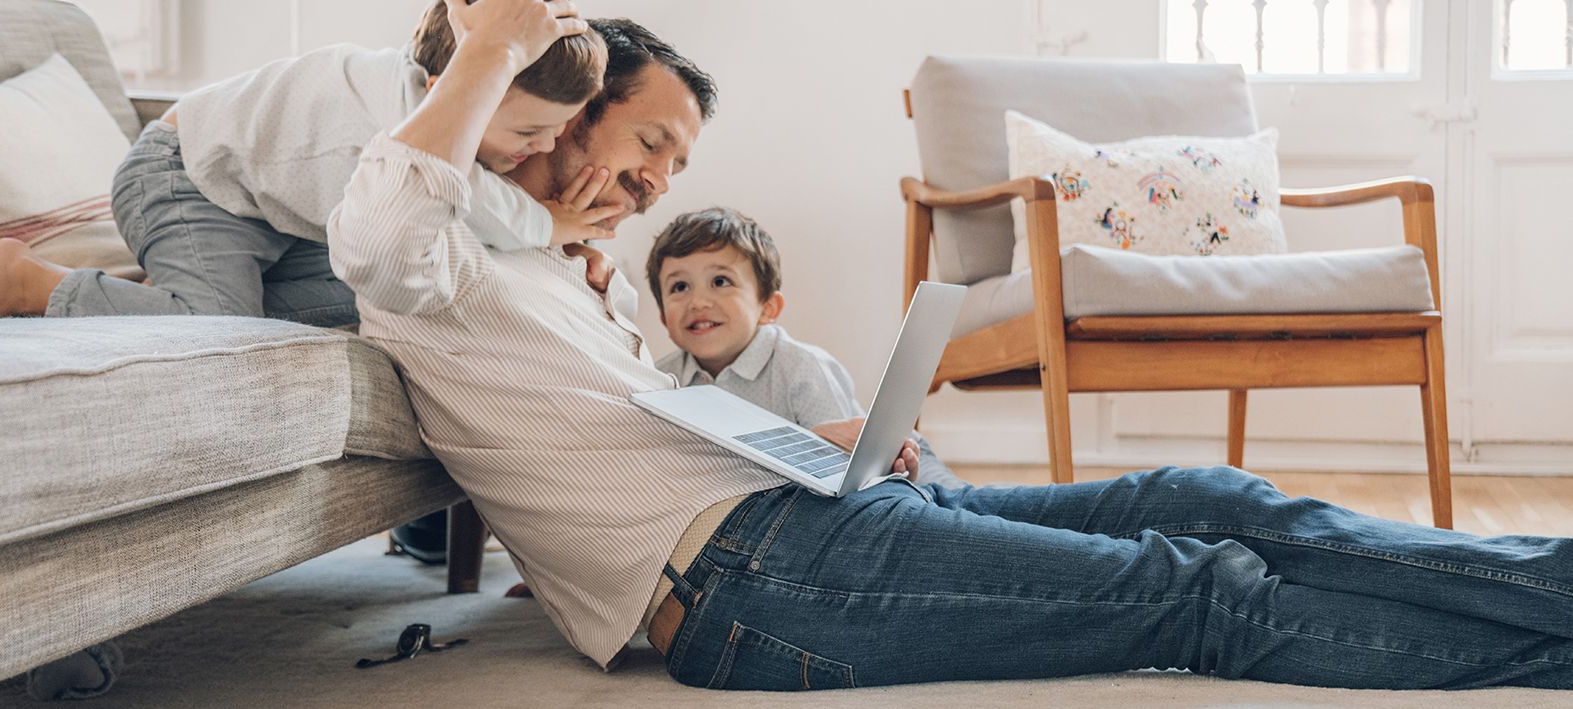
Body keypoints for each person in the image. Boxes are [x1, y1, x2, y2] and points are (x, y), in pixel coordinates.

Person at [331, 2, 1573, 692]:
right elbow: (383, 236)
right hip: (742, 587)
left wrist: (801, 438)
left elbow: (630, 442)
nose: (654, 183)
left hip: (795, 515)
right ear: (552, 113)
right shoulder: (431, 251)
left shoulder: (561, 277)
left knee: (1207, 492)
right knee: (1192, 587)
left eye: (672, 165)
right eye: (648, 144)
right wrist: (496, 46)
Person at [0, 0, 614, 323]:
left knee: (369, 309)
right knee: (217, 327)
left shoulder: (421, 96)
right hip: (187, 181)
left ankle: (165, 291)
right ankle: (31, 280)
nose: (548, 147)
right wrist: (550, 224)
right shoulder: (398, 118)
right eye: (532, 130)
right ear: (453, 91)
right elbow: (479, 203)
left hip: (276, 217)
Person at [645, 206, 962, 488]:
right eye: (680, 287)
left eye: (720, 282)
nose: (698, 301)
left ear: (768, 307)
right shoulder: (661, 380)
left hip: (894, 457)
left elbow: (843, 470)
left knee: (958, 501)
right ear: (663, 317)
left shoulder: (801, 367)